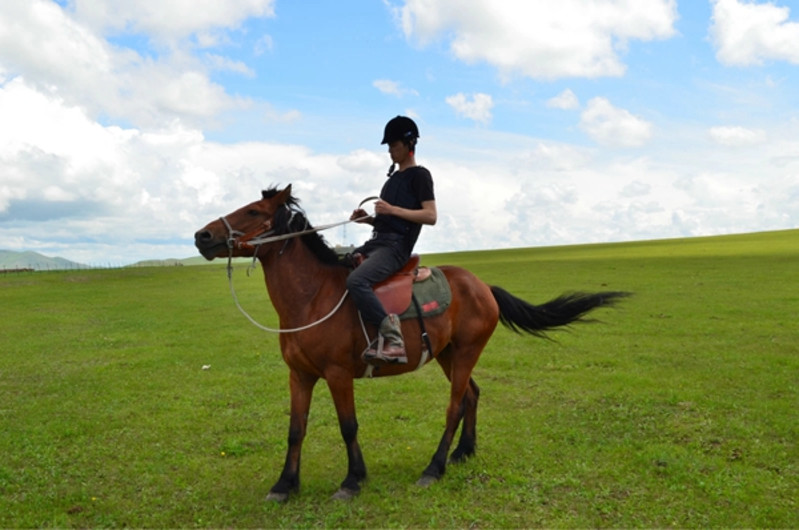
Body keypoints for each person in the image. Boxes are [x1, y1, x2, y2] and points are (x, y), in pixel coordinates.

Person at [347, 116, 437, 364]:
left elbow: (430, 215)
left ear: (409, 144)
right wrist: (369, 220)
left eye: (393, 145)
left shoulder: (420, 176)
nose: (390, 151)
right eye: (388, 147)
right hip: (377, 243)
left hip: (396, 249)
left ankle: (393, 339)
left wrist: (391, 210)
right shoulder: (392, 180)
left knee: (357, 280)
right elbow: (389, 221)